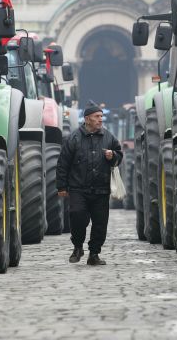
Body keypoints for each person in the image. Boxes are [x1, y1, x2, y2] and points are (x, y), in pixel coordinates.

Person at [56, 101, 123, 265]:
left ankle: (94, 254)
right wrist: (62, 186)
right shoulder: (74, 138)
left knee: (100, 224)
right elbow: (63, 163)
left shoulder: (108, 137)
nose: (100, 120)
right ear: (87, 119)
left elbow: (119, 155)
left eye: (101, 116)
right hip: (79, 188)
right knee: (78, 216)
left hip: (101, 189)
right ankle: (77, 246)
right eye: (97, 117)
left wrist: (113, 155)